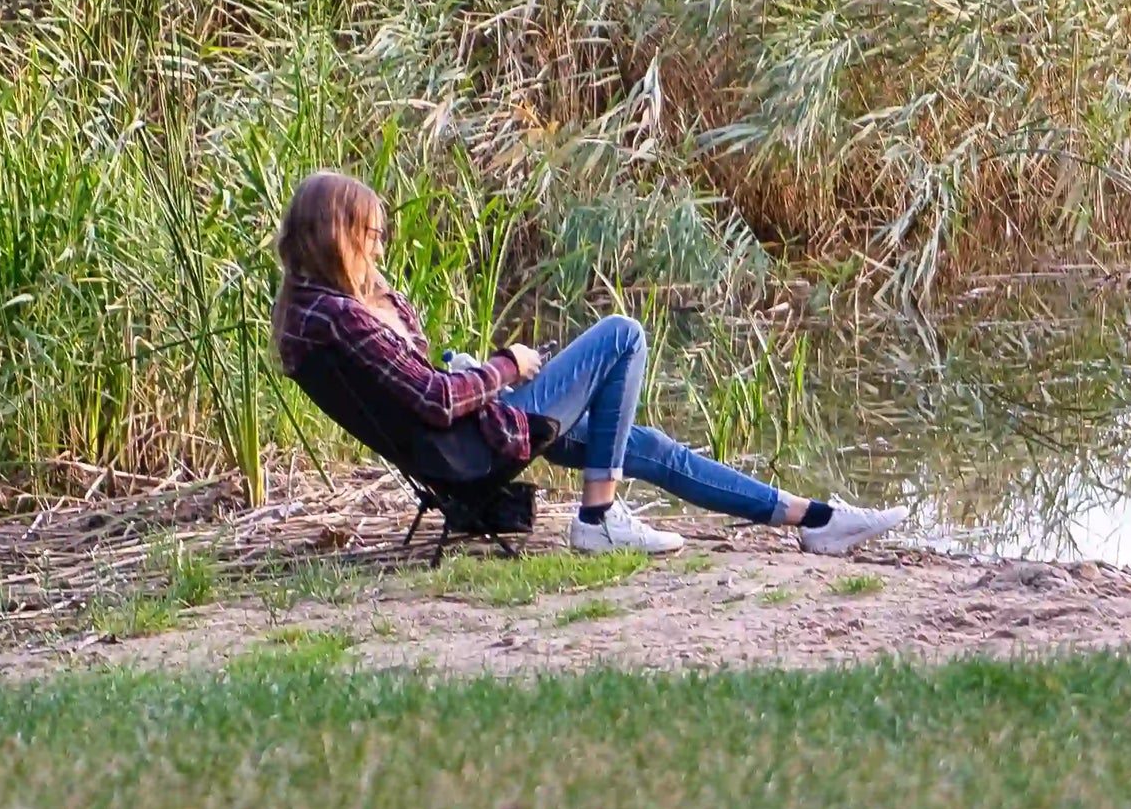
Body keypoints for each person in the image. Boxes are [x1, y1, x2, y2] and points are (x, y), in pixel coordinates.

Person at [271, 169, 902, 558]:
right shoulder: (341, 318)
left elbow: (417, 382)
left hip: (466, 434)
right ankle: (599, 515)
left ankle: (812, 518)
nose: (381, 245)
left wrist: (440, 345)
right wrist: (505, 365)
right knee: (622, 334)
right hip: (469, 447)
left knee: (640, 443)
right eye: (372, 234)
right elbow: (436, 400)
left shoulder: (323, 310)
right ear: (339, 235)